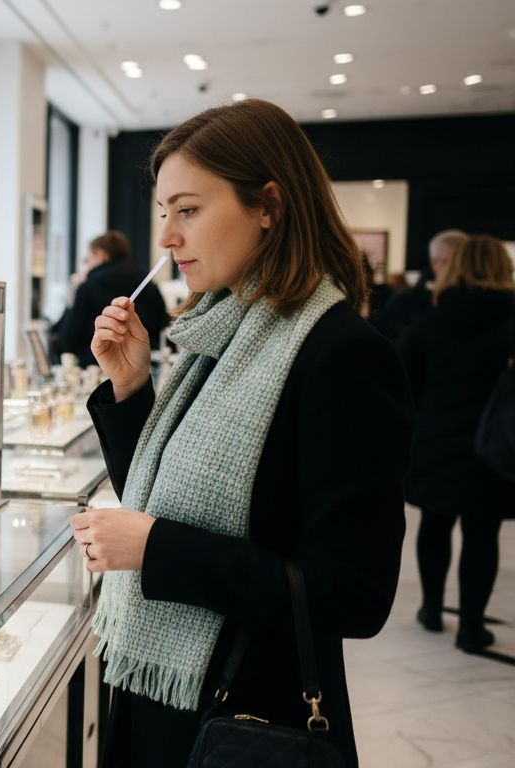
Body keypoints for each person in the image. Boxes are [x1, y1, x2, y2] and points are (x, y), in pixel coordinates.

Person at [72, 100, 410, 767]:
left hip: (248, 717)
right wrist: (132, 387)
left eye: (188, 209)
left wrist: (159, 550)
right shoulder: (216, 339)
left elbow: (353, 594)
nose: (167, 237)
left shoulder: (340, 354)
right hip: (165, 697)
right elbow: (162, 490)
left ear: (269, 206)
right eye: (163, 211)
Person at [401, 234, 515, 652]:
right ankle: (470, 627)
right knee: (482, 534)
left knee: (435, 524)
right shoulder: (510, 320)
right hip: (494, 445)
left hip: (437, 443)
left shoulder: (434, 318)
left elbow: (405, 383)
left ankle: (432, 609)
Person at [50, 230, 169, 365]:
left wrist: (71, 299)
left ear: (101, 255)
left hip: (96, 368)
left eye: (87, 260)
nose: (86, 265)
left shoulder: (88, 288)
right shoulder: (149, 285)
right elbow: (164, 330)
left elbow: (67, 342)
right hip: (143, 365)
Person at [373, 229, 467, 345]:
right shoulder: (407, 302)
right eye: (451, 263)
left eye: (465, 263)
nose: (459, 270)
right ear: (434, 263)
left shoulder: (476, 302)